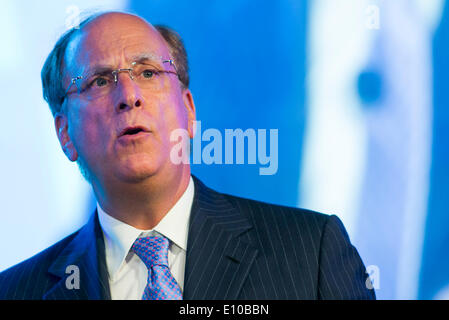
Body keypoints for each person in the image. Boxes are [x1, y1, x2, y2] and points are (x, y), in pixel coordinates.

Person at [0, 11, 375, 300]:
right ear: (65, 133)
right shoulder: (17, 291)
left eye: (148, 72)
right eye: (99, 81)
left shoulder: (312, 254)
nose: (129, 95)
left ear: (189, 111)